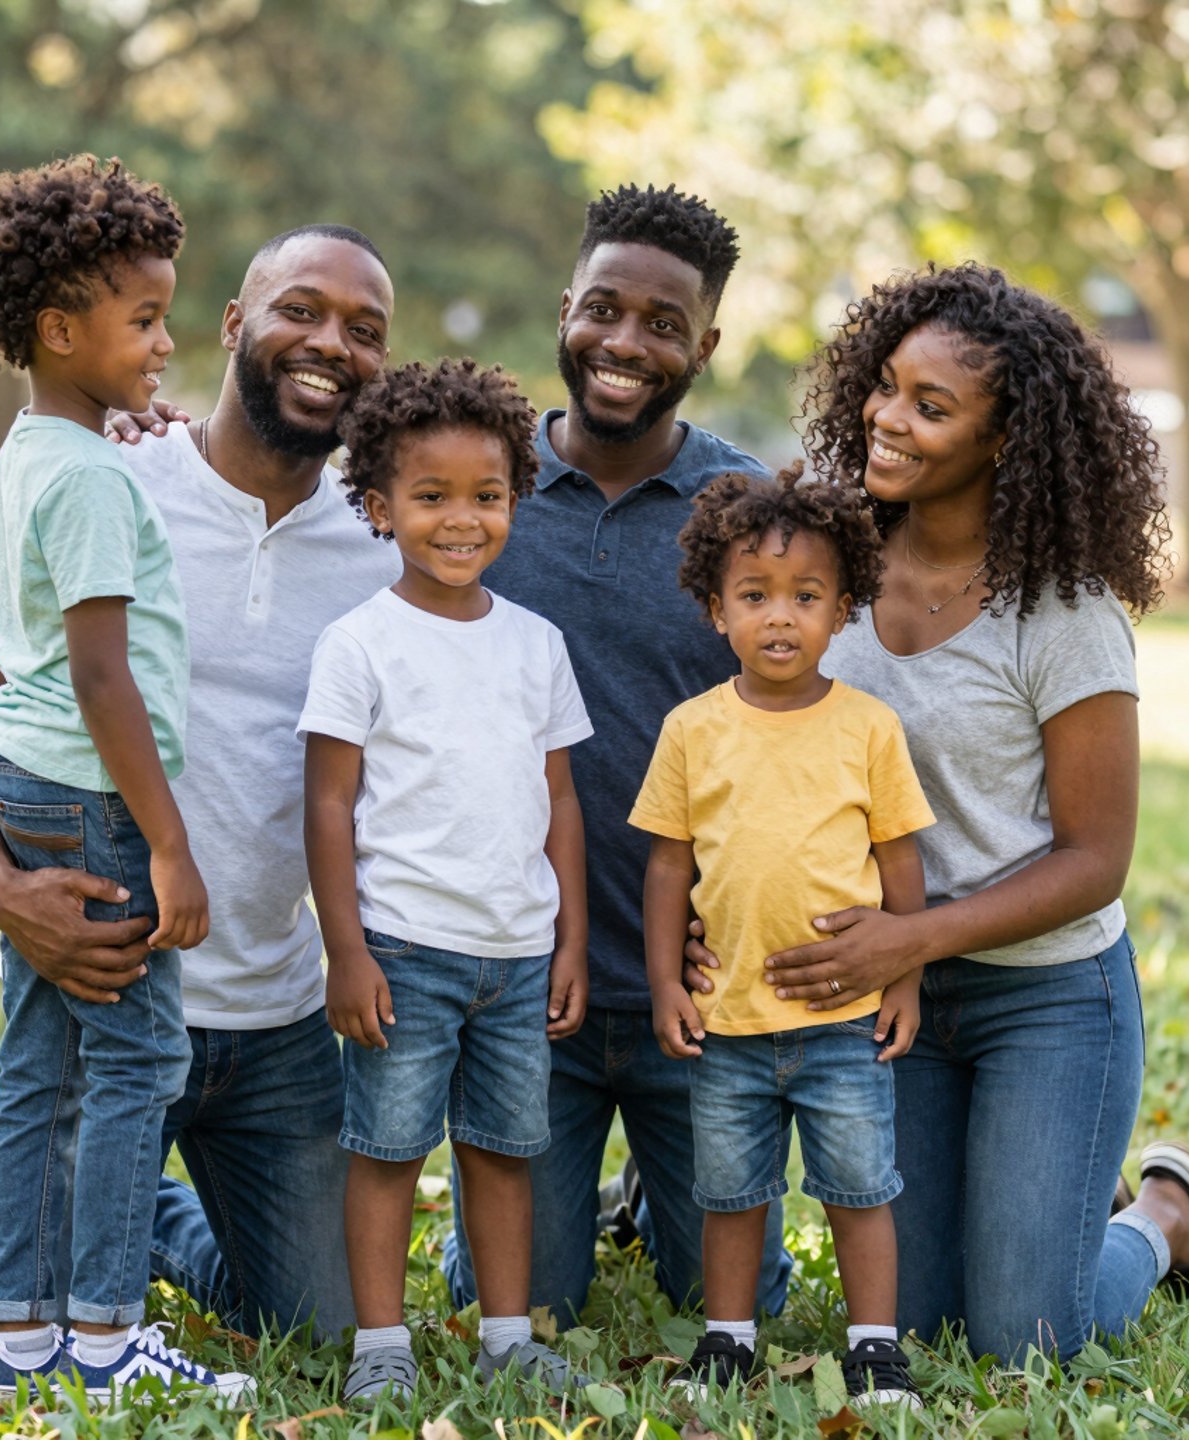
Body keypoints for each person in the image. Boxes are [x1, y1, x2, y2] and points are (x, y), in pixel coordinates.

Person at [0, 222, 401, 1349]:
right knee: (28, 1311)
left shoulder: (389, 543)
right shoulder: (110, 478)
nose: (330, 342)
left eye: (364, 329)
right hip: (110, 991)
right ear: (234, 327)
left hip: (278, 1031)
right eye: (300, 309)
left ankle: (133, 1221)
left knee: (319, 1337)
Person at [685, 263, 1189, 1361]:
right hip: (893, 1007)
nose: (887, 419)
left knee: (1026, 1336)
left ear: (1007, 441)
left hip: (1048, 998)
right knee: (920, 1318)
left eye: (931, 407)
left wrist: (915, 935)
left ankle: (1163, 1221)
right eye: (887, 386)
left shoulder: (1064, 614)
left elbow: (1096, 860)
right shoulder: (824, 571)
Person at [444, 183, 792, 1326]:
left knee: (733, 1303)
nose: (624, 344)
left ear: (707, 344)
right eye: (604, 309)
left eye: (662, 323)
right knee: (519, 1302)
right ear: (565, 307)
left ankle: (651, 1174)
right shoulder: (471, 493)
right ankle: (595, 1179)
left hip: (689, 994)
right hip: (515, 987)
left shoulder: (749, 512)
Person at [0, 154, 252, 1400]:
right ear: (61, 330)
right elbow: (107, 677)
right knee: (133, 1064)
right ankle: (112, 1341)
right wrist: (169, 846)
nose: (168, 342)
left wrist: (119, 430)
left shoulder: (41, 451)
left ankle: (20, 1336)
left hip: (19, 770)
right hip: (90, 787)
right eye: (143, 320)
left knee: (36, 1061)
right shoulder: (97, 480)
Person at [301, 359, 593, 1400]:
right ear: (380, 509)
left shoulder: (537, 645)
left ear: (515, 497)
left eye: (487, 496)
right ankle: (383, 1349)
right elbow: (328, 805)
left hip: (516, 956)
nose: (461, 521)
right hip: (403, 951)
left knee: (504, 1150)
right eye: (431, 498)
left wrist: (568, 942)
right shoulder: (360, 646)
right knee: (386, 1150)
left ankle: (506, 1336)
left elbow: (560, 801)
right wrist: (346, 951)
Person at [634, 468, 931, 1407]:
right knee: (729, 1193)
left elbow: (900, 864)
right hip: (727, 1021)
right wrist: (664, 986)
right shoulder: (691, 730)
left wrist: (908, 976)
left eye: (805, 597)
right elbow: (667, 870)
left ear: (842, 609)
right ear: (715, 608)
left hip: (842, 1020)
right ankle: (729, 1338)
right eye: (754, 596)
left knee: (860, 1186)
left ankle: (874, 1346)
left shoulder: (869, 728)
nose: (779, 618)